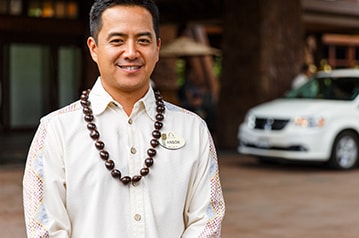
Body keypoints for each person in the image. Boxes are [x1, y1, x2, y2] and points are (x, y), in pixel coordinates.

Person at [22, 0, 225, 237]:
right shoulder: (55, 130)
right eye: (117, 40)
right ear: (94, 48)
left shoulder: (193, 130)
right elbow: (44, 228)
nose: (131, 52)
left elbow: (207, 221)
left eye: (143, 40)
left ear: (157, 48)